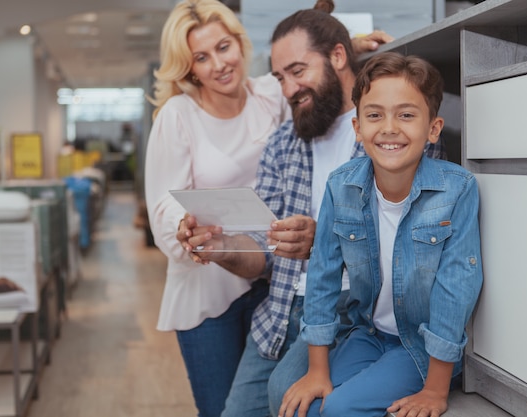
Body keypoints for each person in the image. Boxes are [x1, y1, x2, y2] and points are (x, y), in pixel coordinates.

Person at [176, 2, 444, 416]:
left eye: (298, 72)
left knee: (289, 398)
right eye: (281, 77)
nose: (287, 90)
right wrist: (224, 248)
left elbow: (414, 240)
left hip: (351, 311)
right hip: (280, 307)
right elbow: (264, 254)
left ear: (338, 57)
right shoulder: (284, 143)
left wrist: (324, 239)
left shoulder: (389, 132)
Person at [276, 52, 484, 417]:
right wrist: (317, 371)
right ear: (358, 128)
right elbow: (322, 276)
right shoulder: (341, 186)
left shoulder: (457, 190)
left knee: (338, 409)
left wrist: (436, 390)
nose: (389, 128)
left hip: (421, 347)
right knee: (300, 407)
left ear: (433, 128)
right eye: (374, 115)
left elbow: (457, 288)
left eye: (406, 115)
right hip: (367, 335)